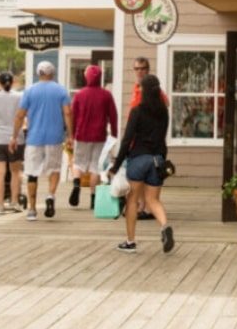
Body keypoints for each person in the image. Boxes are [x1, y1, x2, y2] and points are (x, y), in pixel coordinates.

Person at [108, 73, 174, 254]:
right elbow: (162, 139)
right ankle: (165, 226)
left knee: (133, 201)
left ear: (143, 91)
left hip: (138, 159)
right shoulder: (164, 113)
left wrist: (116, 165)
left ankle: (130, 242)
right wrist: (161, 161)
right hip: (157, 160)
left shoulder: (137, 111)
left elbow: (127, 140)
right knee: (153, 200)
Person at [14, 61, 73, 221]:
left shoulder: (30, 91)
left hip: (34, 138)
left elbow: (20, 115)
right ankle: (50, 195)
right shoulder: (60, 90)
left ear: (38, 73)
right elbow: (67, 113)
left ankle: (32, 209)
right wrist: (70, 136)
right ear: (52, 73)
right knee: (54, 169)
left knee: (32, 172)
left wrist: (14, 137)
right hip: (54, 137)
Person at [69, 65, 119, 210]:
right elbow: (113, 117)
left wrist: (71, 135)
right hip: (99, 136)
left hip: (81, 135)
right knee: (95, 167)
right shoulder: (106, 95)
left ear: (87, 77)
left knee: (78, 163)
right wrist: (114, 135)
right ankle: (93, 199)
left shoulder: (79, 95)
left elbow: (73, 116)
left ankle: (77, 183)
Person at [128, 56, 168, 220]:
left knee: (147, 175)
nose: (140, 71)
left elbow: (165, 103)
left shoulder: (153, 90)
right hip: (136, 138)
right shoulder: (136, 88)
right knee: (142, 176)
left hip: (150, 140)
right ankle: (143, 206)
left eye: (143, 68)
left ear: (148, 69)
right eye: (137, 68)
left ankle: (147, 207)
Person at [0, 71, 25, 214]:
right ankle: (14, 202)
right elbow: (23, 116)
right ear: (13, 82)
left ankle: (0, 205)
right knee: (16, 172)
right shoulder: (20, 97)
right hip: (15, 139)